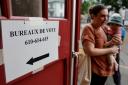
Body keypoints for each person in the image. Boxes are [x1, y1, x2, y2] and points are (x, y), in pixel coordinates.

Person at [81, 4, 120, 85]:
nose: (106, 19)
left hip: (104, 69)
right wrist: (111, 50)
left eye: (107, 16)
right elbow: (90, 51)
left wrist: (116, 41)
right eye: (102, 16)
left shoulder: (103, 27)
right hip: (95, 72)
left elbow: (106, 43)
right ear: (93, 16)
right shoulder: (89, 28)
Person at [105, 13, 126, 85]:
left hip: (114, 49)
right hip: (108, 49)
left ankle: (113, 67)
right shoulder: (108, 29)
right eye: (112, 24)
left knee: (113, 65)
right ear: (110, 24)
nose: (114, 26)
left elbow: (119, 42)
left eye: (117, 25)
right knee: (110, 62)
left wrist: (118, 43)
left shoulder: (120, 31)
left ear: (120, 25)